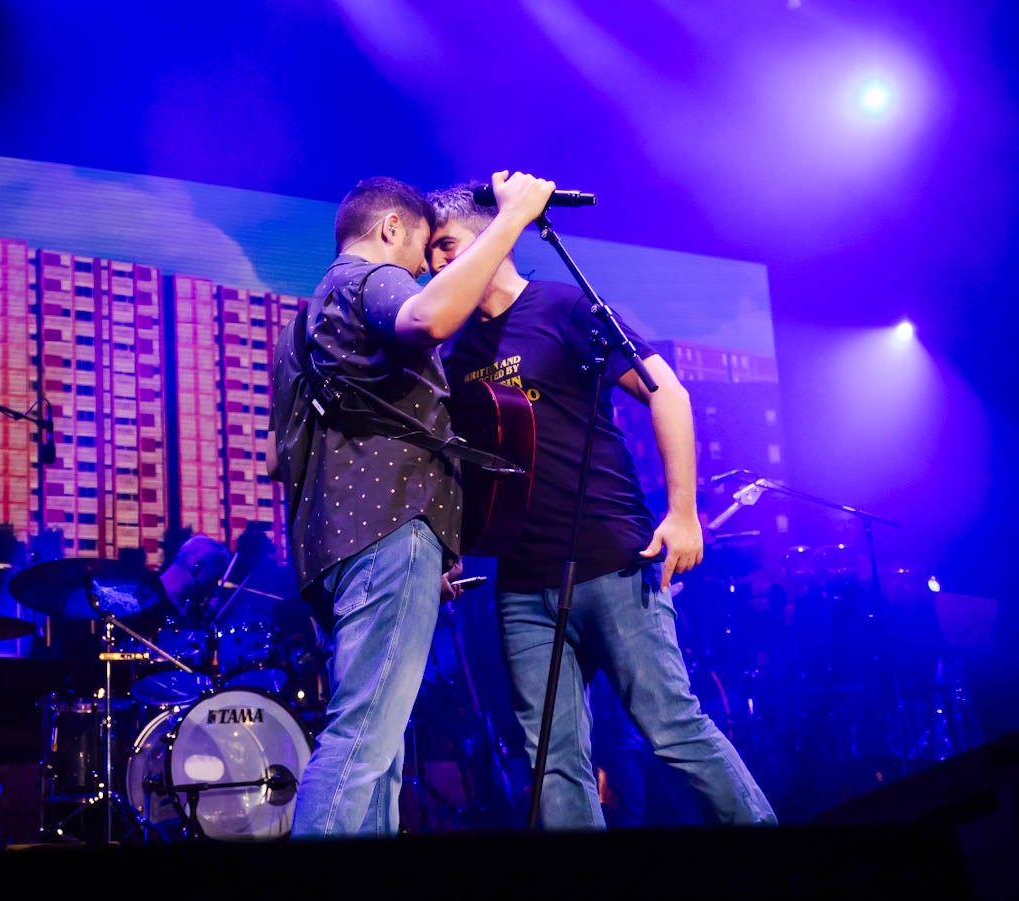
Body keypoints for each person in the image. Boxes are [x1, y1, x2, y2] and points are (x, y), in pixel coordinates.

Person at [427, 183, 778, 828]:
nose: (436, 266)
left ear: (494, 235)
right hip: (524, 585)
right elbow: (459, 469)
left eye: (447, 246)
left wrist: (682, 512)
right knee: (551, 762)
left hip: (614, 561)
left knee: (672, 730)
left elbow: (667, 392)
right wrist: (449, 549)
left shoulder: (563, 308)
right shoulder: (453, 354)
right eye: (429, 257)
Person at [266, 171, 556, 837]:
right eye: (423, 253)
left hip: (334, 543)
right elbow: (428, 318)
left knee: (381, 749)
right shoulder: (367, 279)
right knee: (364, 740)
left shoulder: (300, 325)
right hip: (388, 530)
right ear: (391, 229)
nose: (427, 269)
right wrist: (511, 218)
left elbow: (276, 459)